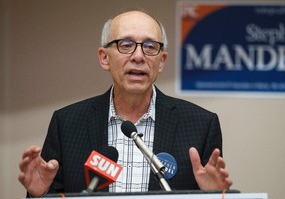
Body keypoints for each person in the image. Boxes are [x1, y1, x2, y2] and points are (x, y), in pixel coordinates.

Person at [18, 10, 232, 197]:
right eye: (126, 44)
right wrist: (40, 194)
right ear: (104, 58)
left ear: (161, 62)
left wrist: (217, 196)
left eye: (150, 46)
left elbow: (213, 191)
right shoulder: (67, 124)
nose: (138, 56)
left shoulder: (201, 125)